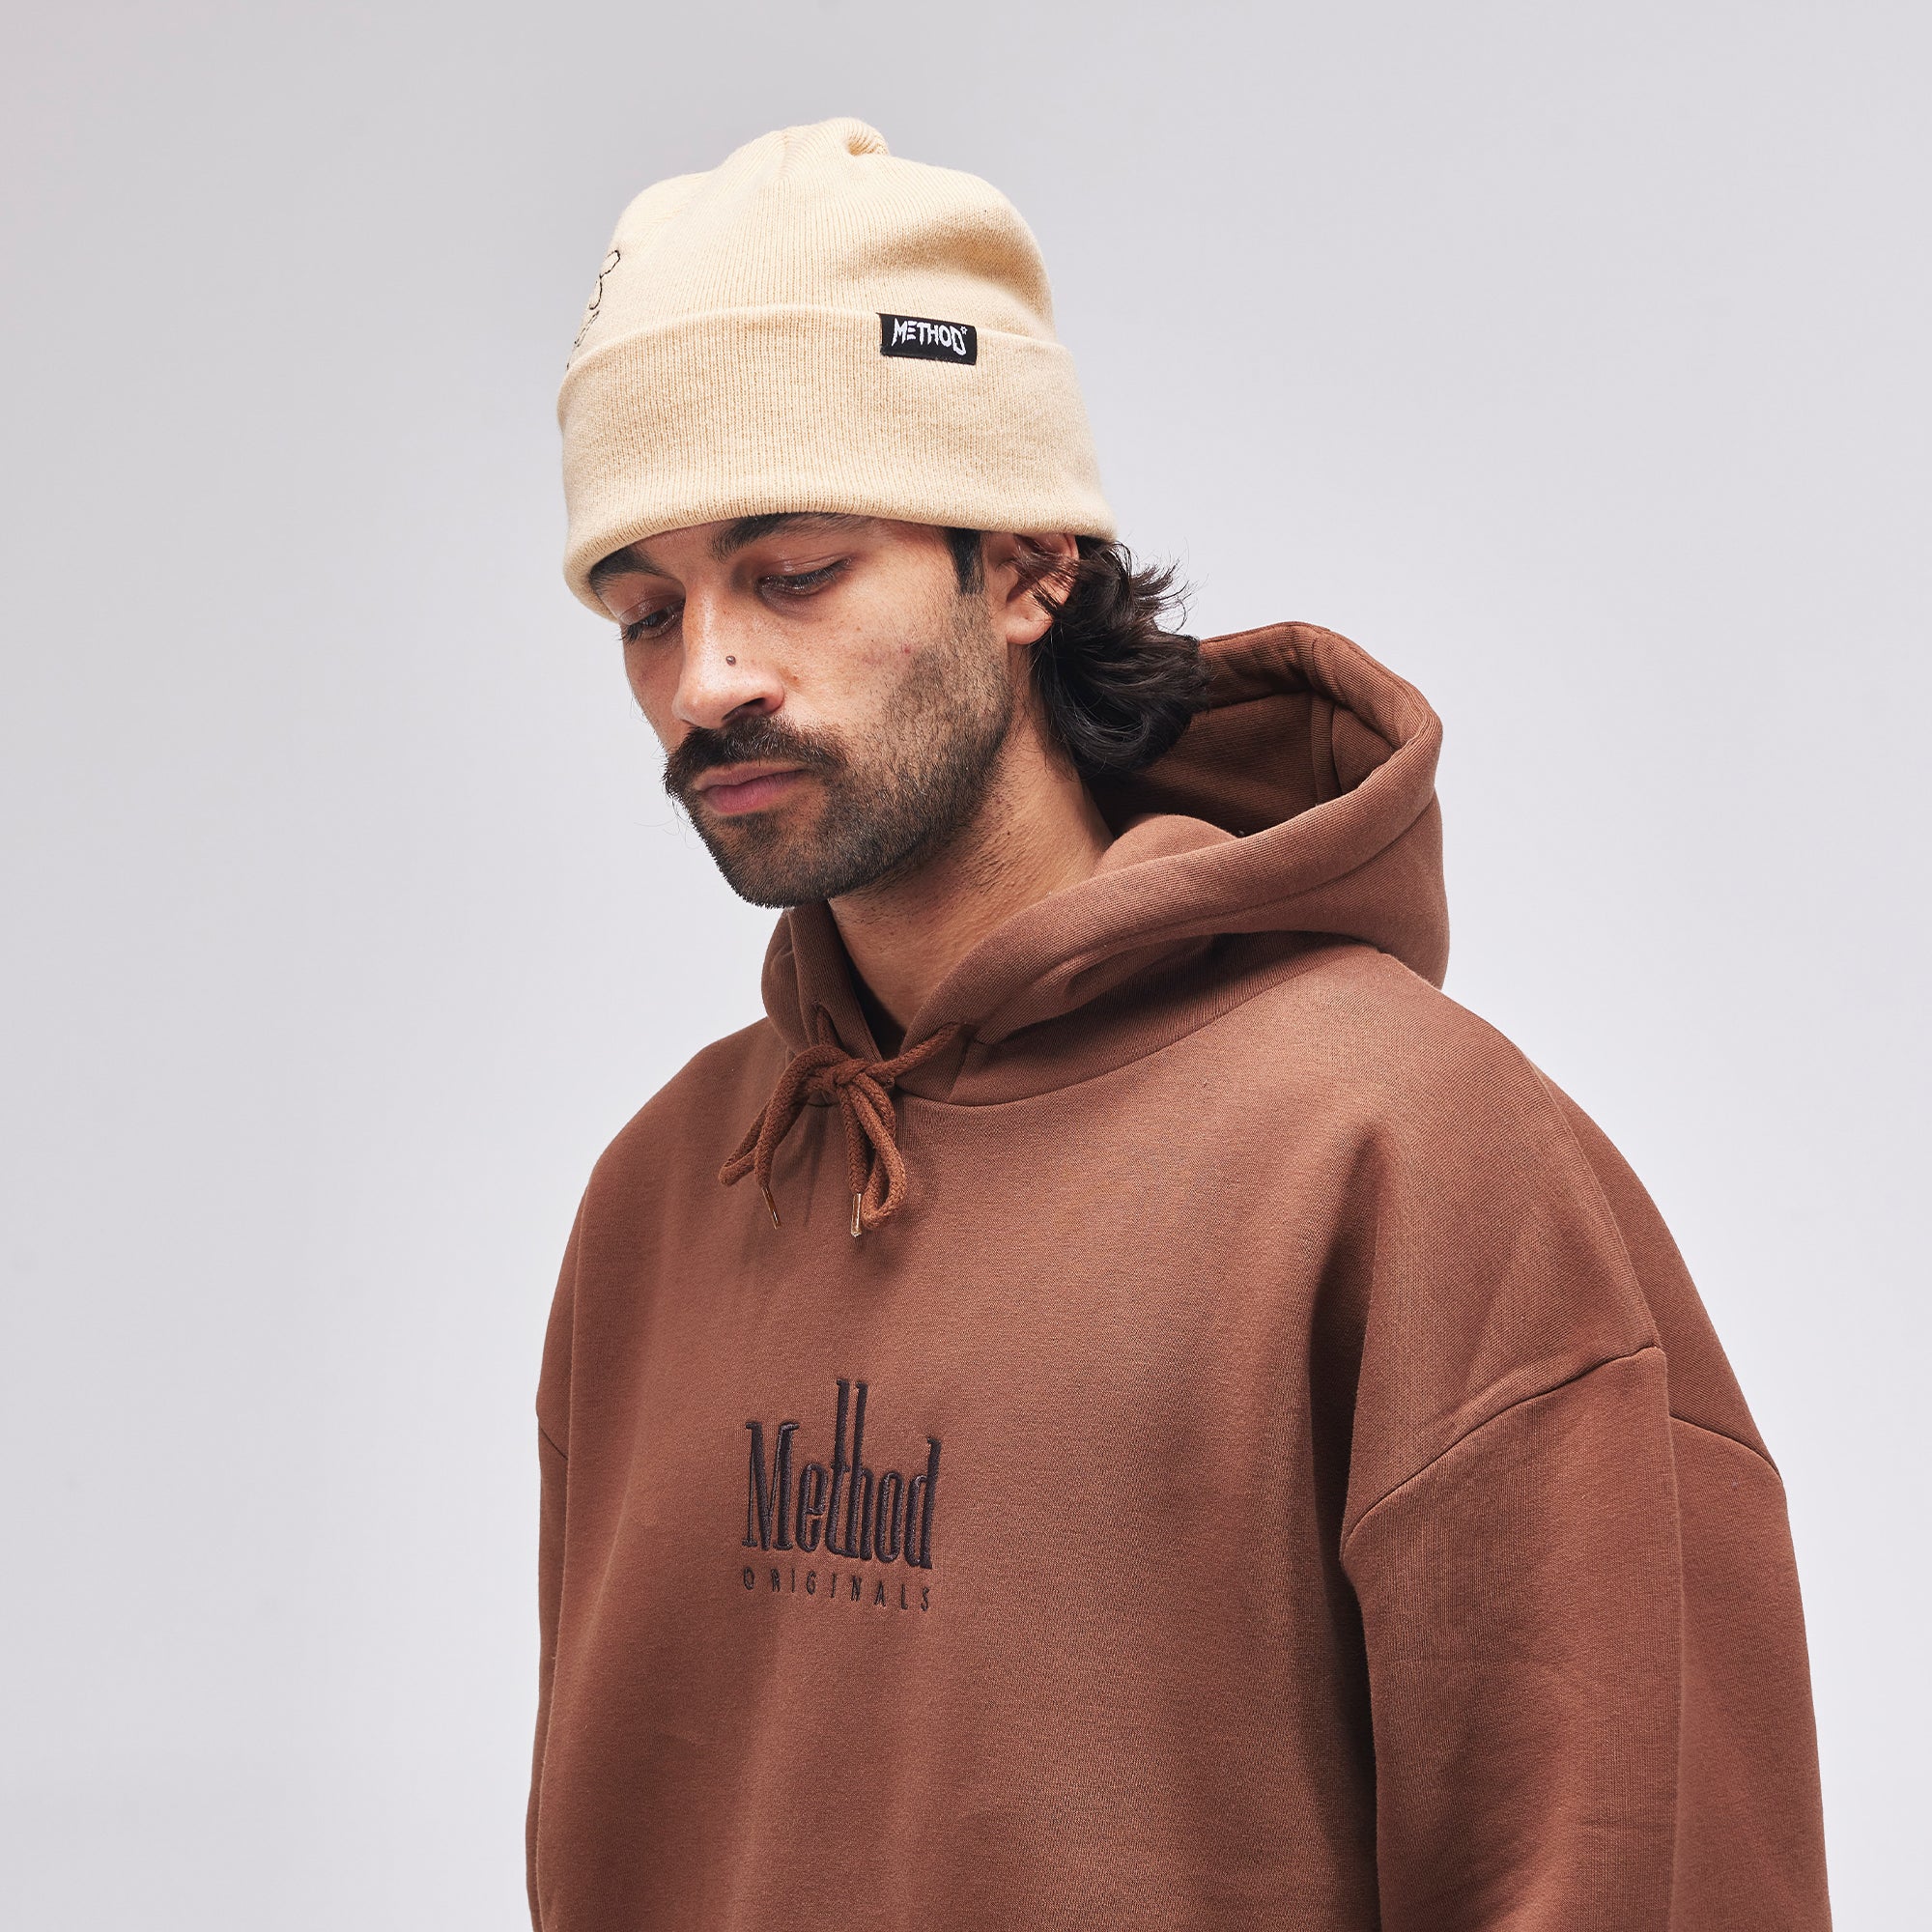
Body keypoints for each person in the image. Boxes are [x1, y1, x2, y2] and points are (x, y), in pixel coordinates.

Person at [526, 118, 1831, 1931]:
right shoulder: (665, 1199)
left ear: (1027, 568)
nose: (708, 678)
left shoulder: (1406, 1151)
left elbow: (1631, 1867)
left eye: (796, 569)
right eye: (643, 611)